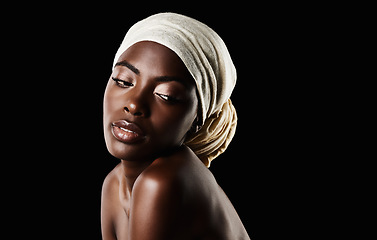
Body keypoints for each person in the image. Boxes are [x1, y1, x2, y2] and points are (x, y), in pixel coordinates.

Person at [101, 13, 250, 240]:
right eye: (123, 81)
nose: (133, 104)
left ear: (197, 120)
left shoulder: (163, 181)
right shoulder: (114, 183)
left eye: (166, 95)